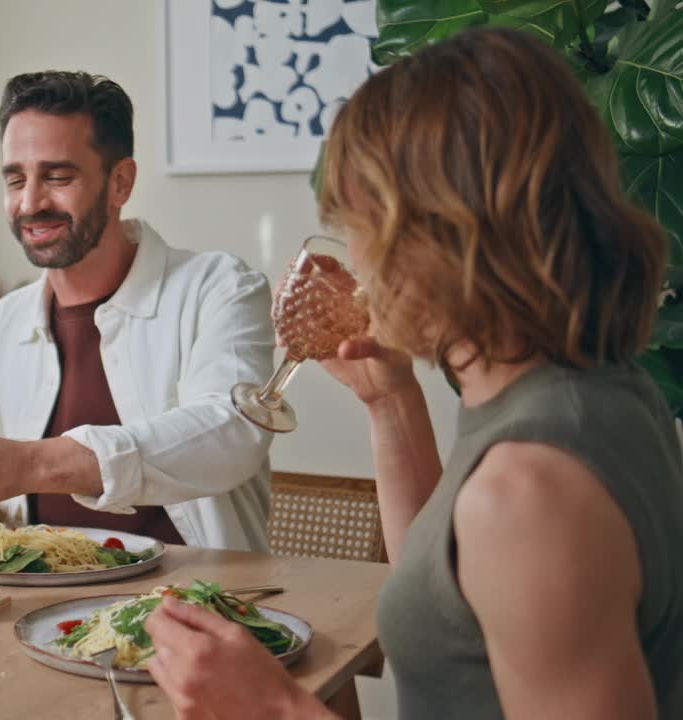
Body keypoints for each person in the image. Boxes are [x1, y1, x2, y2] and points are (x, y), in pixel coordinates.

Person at [144, 26, 683, 719]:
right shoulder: (596, 388)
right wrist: (389, 402)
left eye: (358, 225)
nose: (355, 259)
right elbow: (447, 591)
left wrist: (278, 708)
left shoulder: (529, 489)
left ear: (437, 232)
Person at [0, 71, 275, 550]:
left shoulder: (220, 289)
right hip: (33, 613)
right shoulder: (1, 326)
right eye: (16, 179)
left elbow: (234, 432)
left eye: (57, 177)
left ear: (120, 183)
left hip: (201, 607)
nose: (30, 203)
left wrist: (33, 465)